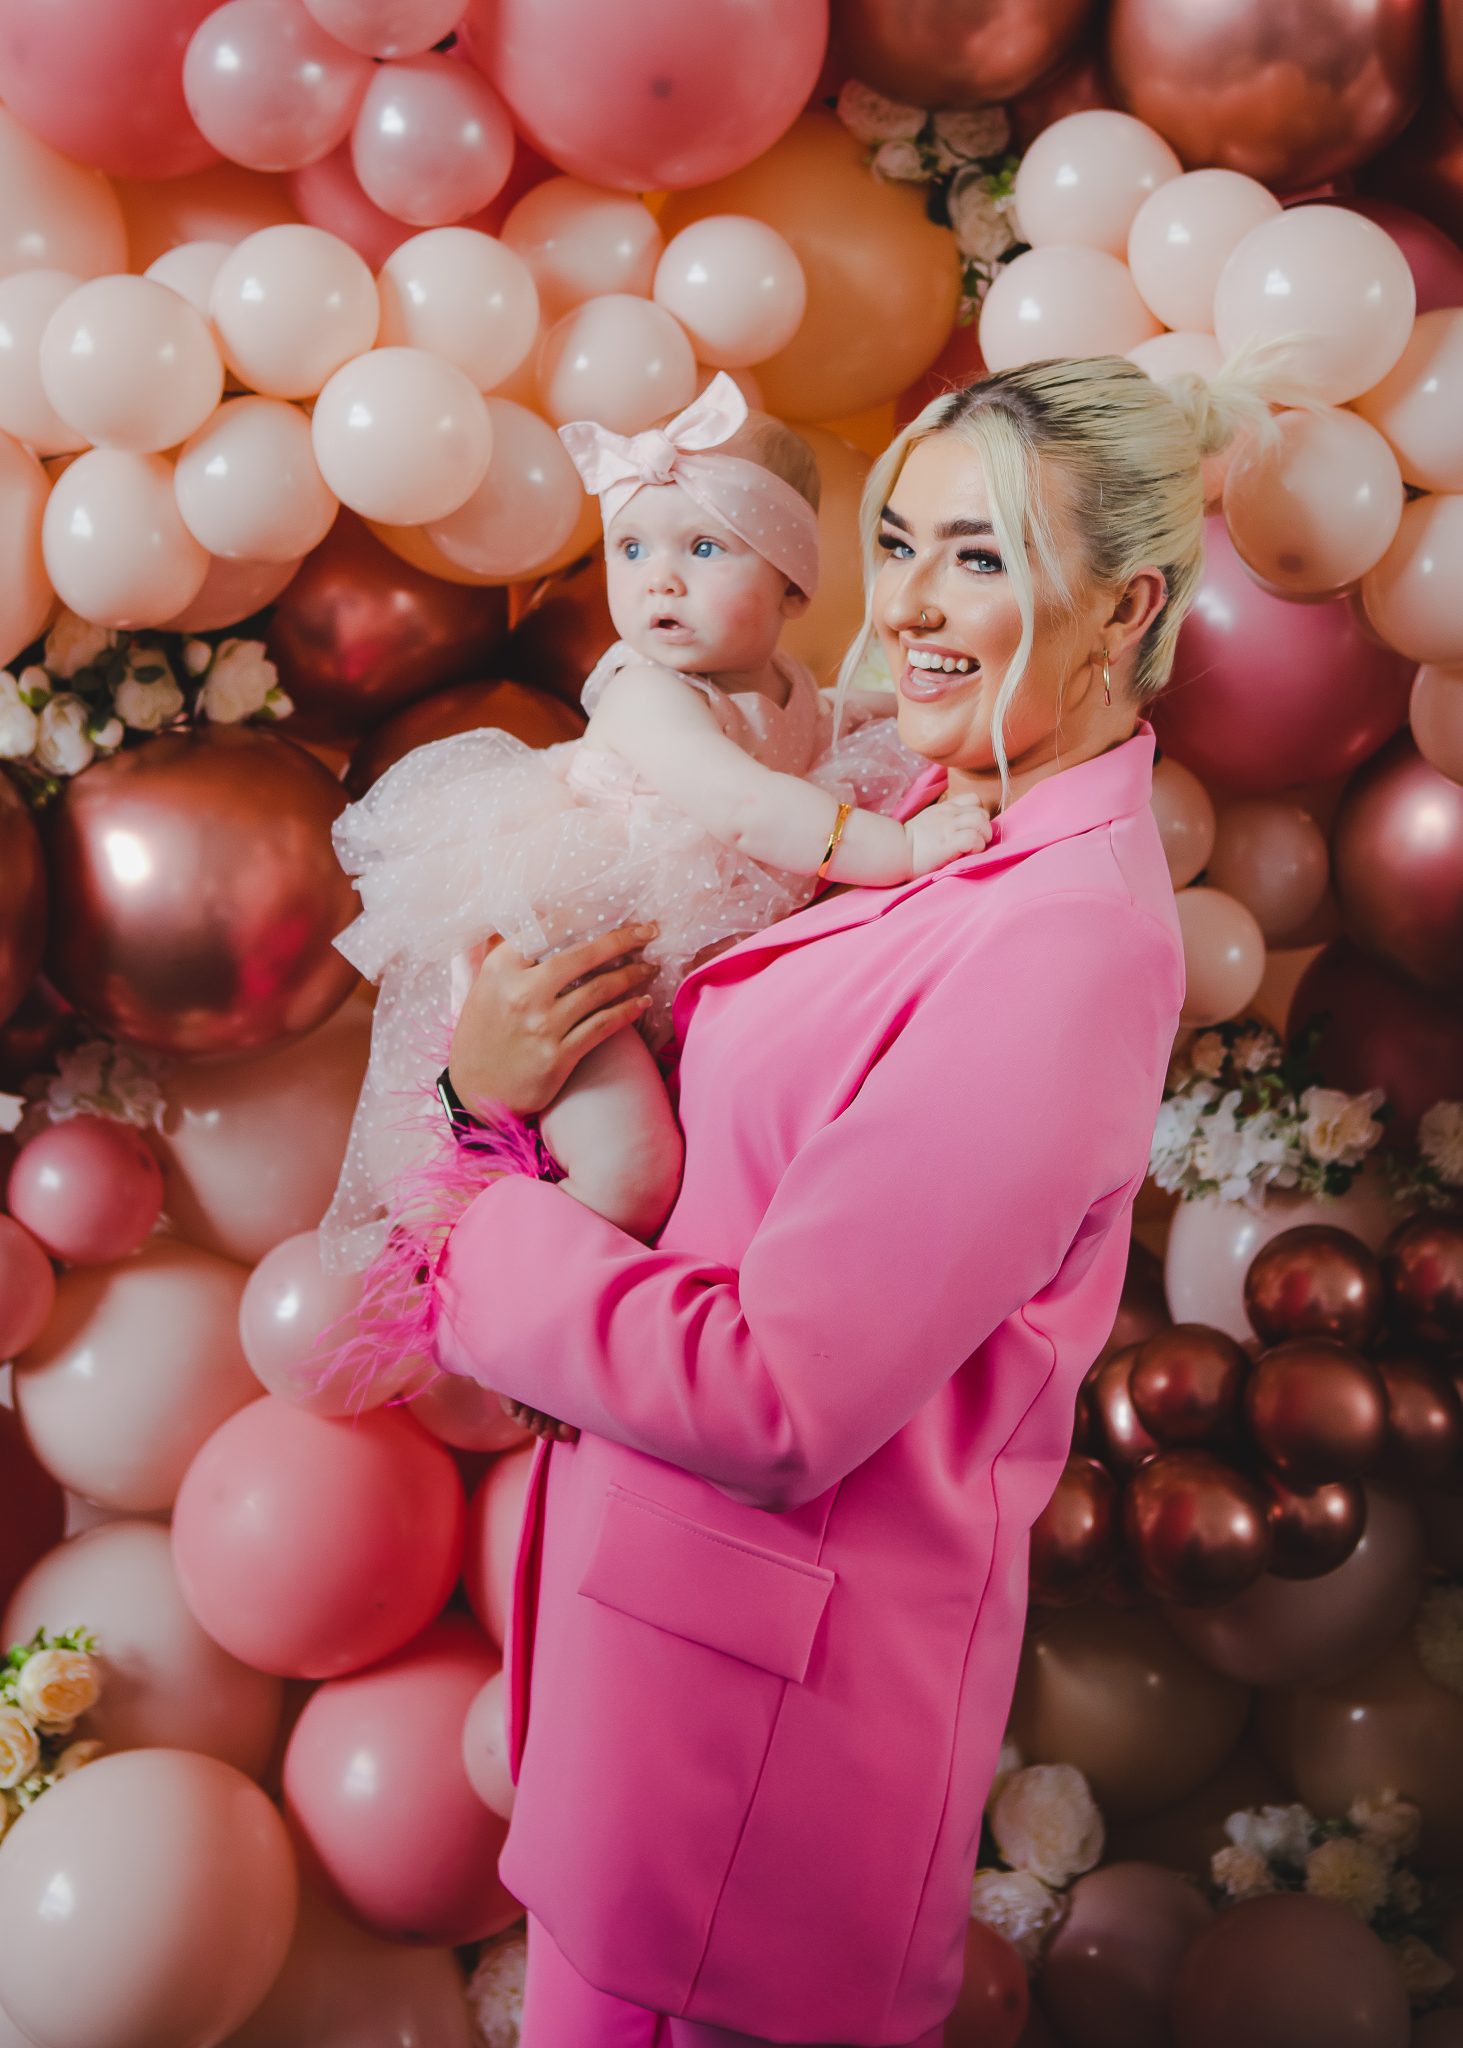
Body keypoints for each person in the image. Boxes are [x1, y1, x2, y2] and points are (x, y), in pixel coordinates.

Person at [431, 351, 1279, 2047]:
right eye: (897, 544)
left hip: (754, 1784)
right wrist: (487, 1088)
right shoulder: (914, 802)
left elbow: (778, 1391)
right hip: (655, 1708)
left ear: (1125, 608)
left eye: (979, 556)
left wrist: (478, 1223)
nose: (910, 606)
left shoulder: (1062, 942)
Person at [318, 374, 987, 1346]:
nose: (658, 581)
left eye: (702, 548)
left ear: (791, 583)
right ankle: (517, 1317)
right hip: (571, 951)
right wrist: (901, 846)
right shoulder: (648, 692)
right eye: (631, 549)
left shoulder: (785, 685)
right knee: (633, 1172)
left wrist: (949, 710)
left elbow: (844, 720)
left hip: (651, 962)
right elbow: (744, 803)